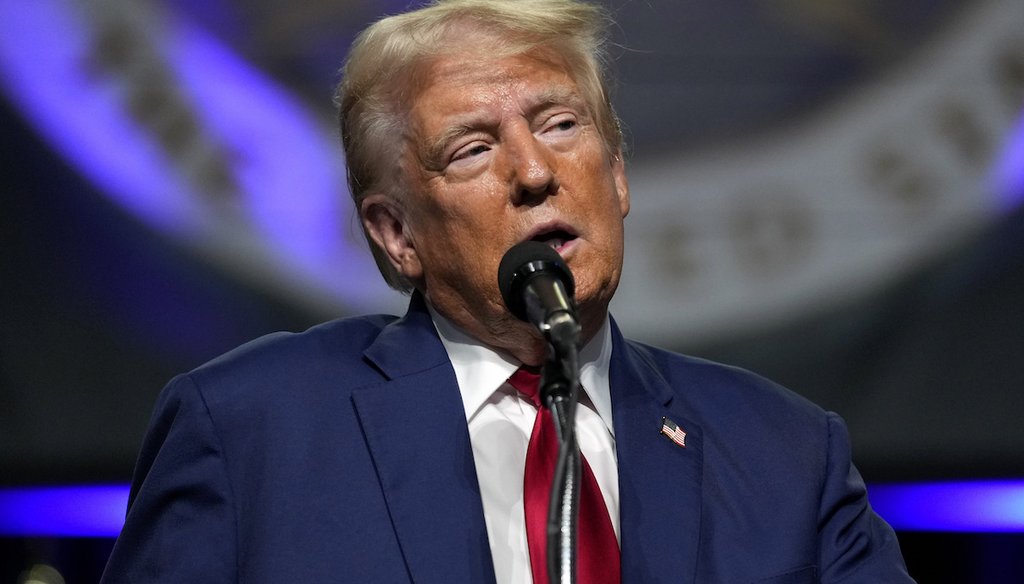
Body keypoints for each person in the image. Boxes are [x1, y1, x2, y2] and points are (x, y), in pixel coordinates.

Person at [101, 0, 914, 582]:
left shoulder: (785, 452)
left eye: (561, 125)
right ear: (395, 234)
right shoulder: (252, 431)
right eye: (472, 149)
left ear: (619, 171)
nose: (534, 172)